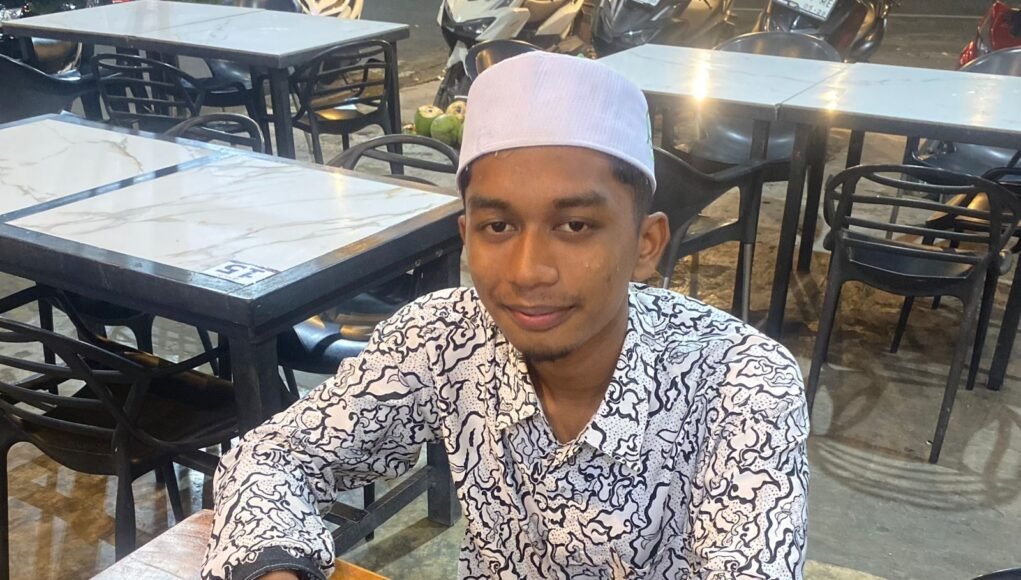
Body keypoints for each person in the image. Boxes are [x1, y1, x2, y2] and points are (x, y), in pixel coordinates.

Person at [202, 51, 809, 580]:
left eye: (575, 226)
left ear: (646, 245)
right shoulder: (442, 338)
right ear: (466, 235)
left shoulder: (741, 384)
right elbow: (269, 458)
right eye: (498, 226)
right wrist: (275, 570)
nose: (527, 271)